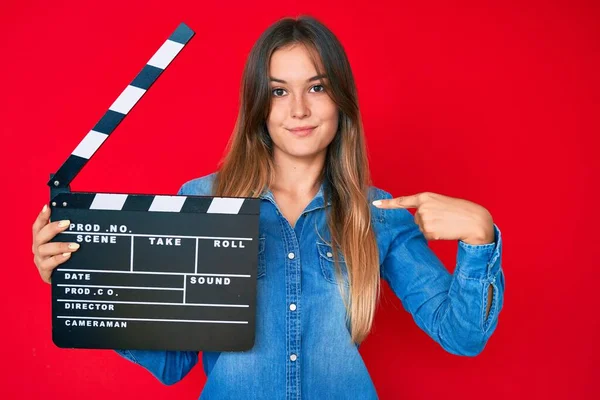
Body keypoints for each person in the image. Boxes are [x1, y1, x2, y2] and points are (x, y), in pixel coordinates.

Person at [31, 15, 505, 399]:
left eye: (316, 87)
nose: (298, 108)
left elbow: (461, 334)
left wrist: (479, 238)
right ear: (259, 105)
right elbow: (172, 363)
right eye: (279, 91)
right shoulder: (202, 203)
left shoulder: (376, 212)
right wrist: (86, 281)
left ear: (341, 100)